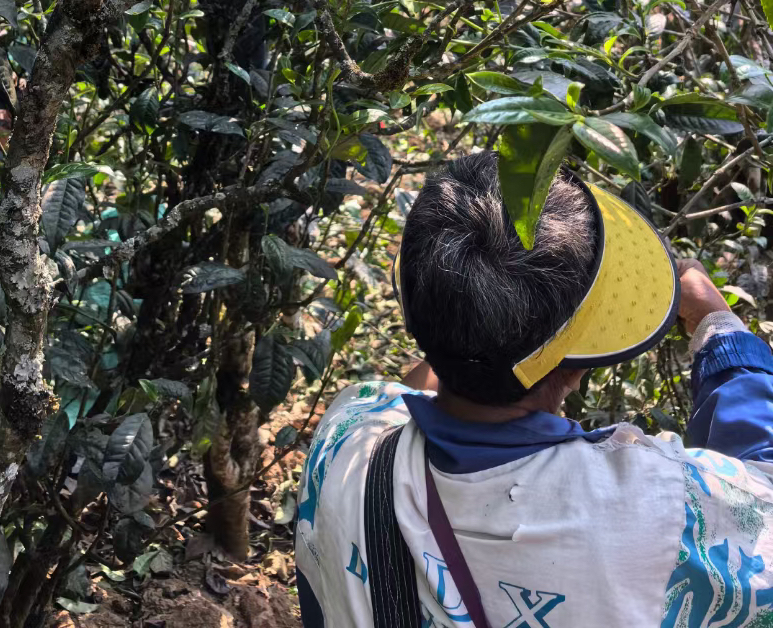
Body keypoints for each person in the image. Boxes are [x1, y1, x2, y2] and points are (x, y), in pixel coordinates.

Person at [295, 152, 773, 628]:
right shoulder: (662, 509)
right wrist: (719, 326)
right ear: (573, 368)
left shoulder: (350, 428)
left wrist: (462, 327)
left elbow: (417, 389)